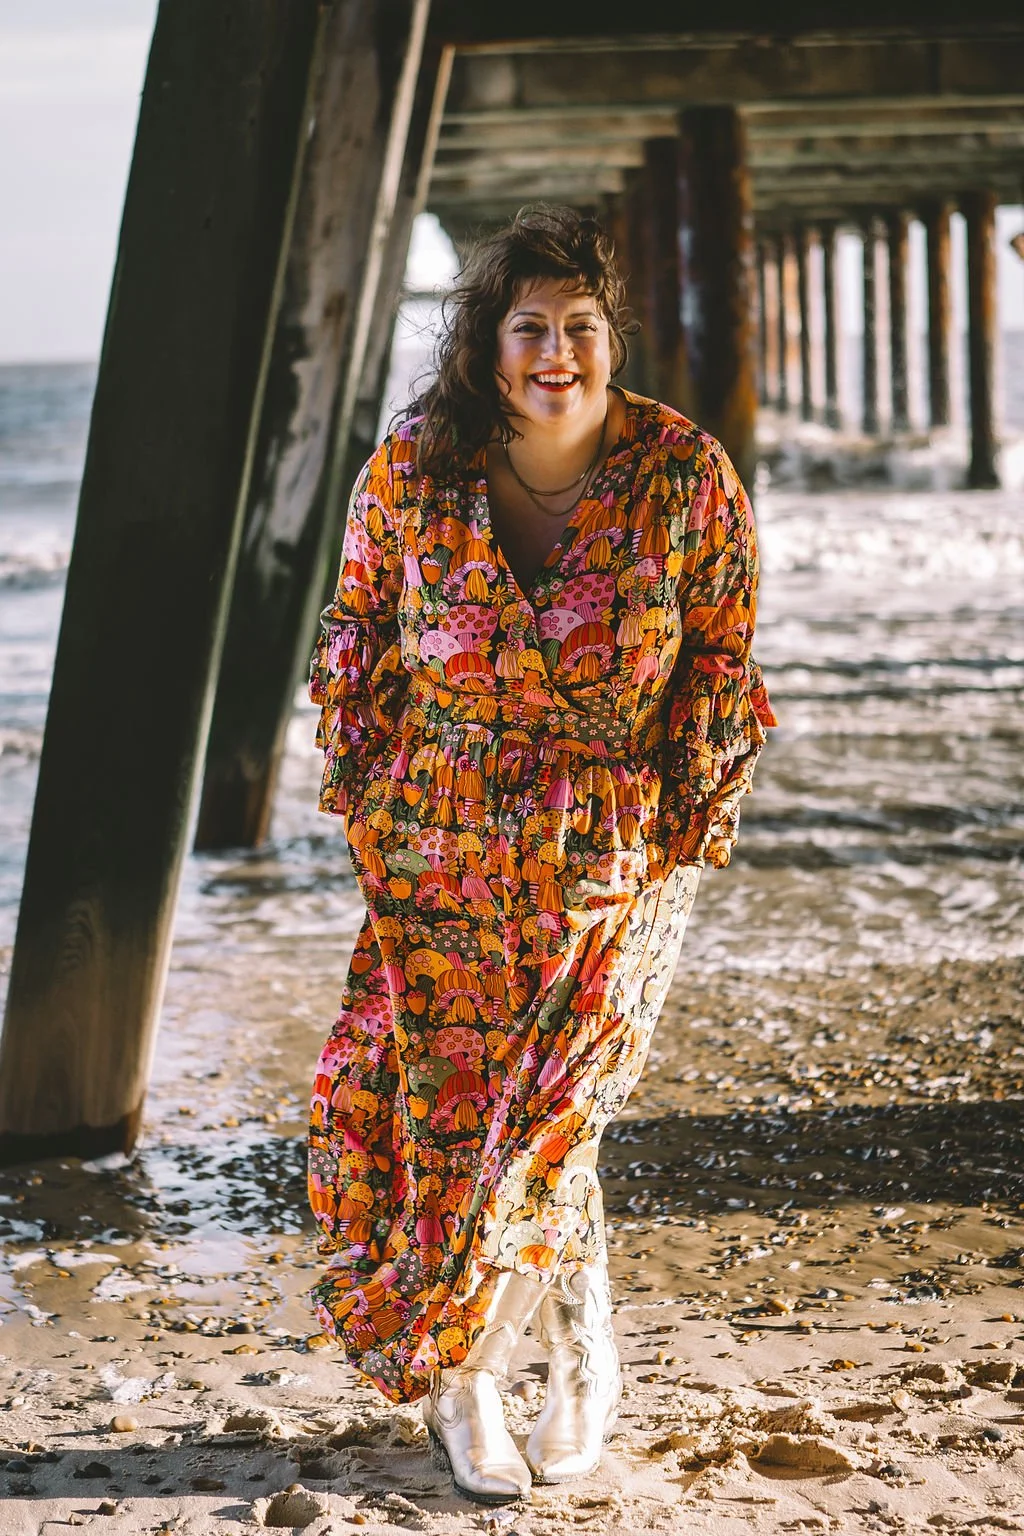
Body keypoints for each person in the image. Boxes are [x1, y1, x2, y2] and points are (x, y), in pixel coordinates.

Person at [307, 205, 776, 1503]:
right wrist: (370, 799)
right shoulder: (415, 467)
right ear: (488, 344)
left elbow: (721, 658)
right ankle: (541, 1367)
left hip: (613, 853)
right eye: (530, 327)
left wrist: (680, 825)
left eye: (580, 325)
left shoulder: (682, 474)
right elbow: (354, 638)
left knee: (560, 1115)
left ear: (612, 337)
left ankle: (507, 1368)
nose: (556, 352)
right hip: (441, 851)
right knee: (463, 1121)